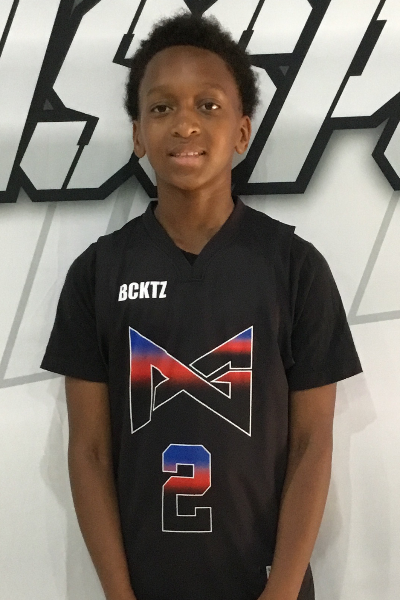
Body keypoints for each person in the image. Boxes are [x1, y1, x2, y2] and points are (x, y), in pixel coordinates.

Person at [41, 11, 362, 600]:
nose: (185, 123)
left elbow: (313, 445)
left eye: (207, 105)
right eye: (162, 107)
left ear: (241, 132)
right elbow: (88, 452)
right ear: (138, 134)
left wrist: (282, 592)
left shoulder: (295, 268)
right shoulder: (97, 273)